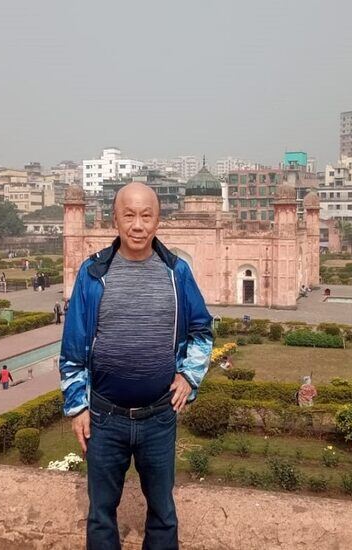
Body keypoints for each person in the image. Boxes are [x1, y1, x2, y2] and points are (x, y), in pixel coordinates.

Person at [59, 181, 213, 550]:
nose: (138, 225)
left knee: (162, 513)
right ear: (115, 219)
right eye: (129, 215)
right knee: (100, 515)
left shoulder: (177, 273)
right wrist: (77, 405)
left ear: (159, 220)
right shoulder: (94, 274)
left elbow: (201, 330)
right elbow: (73, 346)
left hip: (158, 417)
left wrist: (189, 376)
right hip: (104, 418)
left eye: (147, 215)